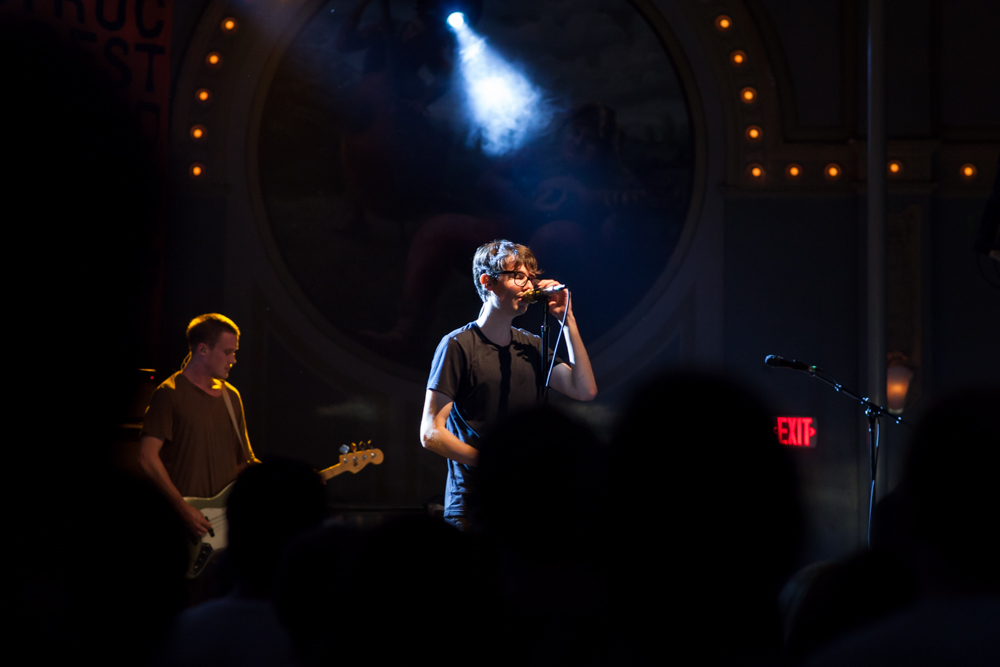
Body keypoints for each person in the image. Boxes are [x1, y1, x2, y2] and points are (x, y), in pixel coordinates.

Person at [420, 239, 598, 530]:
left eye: (531, 277)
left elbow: (585, 389)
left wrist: (568, 321)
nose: (529, 286)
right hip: (473, 506)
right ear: (487, 282)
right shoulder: (458, 345)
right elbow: (430, 432)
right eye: (519, 277)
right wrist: (494, 462)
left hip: (526, 505)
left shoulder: (532, 346)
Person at [139, 314, 257, 538]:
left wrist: (290, 480)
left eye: (235, 352)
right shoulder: (168, 394)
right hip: (182, 528)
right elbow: (147, 458)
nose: (233, 360)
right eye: (227, 352)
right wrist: (183, 509)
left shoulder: (231, 397)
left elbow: (243, 462)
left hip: (223, 529)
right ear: (202, 350)